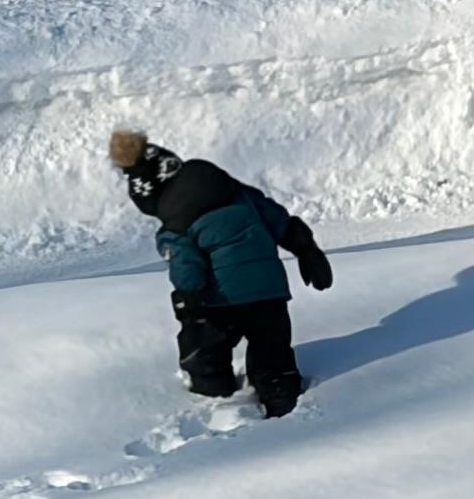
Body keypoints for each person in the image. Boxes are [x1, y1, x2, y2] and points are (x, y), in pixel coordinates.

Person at [109, 131, 333, 418]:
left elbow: (188, 271)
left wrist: (187, 303)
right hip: (269, 292)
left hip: (223, 302)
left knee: (204, 350)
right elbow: (277, 218)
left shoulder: (174, 225)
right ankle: (283, 401)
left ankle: (211, 394)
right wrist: (305, 248)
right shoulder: (234, 190)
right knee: (271, 352)